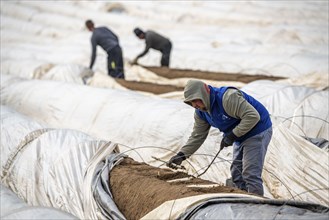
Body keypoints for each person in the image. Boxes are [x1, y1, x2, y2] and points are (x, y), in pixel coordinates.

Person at [168, 80, 273, 196]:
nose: (194, 105)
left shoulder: (227, 98)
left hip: (257, 131)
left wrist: (233, 135)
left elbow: (253, 116)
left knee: (250, 173)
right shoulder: (201, 112)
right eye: (191, 102)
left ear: (204, 93)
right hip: (240, 135)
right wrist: (182, 155)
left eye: (195, 100)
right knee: (237, 174)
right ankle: (243, 202)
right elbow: (197, 135)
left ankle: (257, 207)